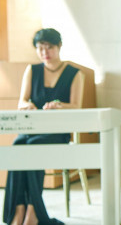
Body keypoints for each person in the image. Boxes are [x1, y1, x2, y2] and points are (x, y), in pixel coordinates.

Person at [2, 28, 84, 225]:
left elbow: (76, 107)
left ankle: (32, 212)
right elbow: (21, 101)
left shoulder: (75, 73)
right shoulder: (32, 70)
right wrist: (27, 105)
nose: (45, 52)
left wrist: (59, 106)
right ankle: (18, 209)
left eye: (49, 47)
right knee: (18, 146)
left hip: (58, 132)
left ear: (59, 47)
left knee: (32, 148)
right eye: (40, 48)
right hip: (33, 129)